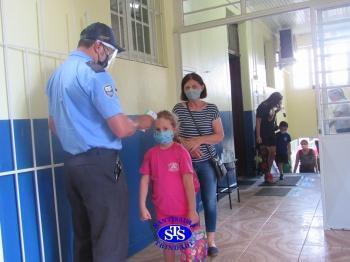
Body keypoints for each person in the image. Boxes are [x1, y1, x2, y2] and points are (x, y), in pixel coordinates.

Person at [46, 22, 153, 262]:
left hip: (73, 167)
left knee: (83, 235)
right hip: (101, 166)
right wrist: (142, 121)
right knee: (110, 237)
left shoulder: (56, 76)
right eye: (108, 51)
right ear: (98, 46)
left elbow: (54, 127)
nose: (108, 57)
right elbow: (121, 128)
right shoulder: (95, 74)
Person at [172, 73, 224, 257]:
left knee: (209, 201)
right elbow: (174, 135)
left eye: (194, 86)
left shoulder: (212, 109)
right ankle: (190, 240)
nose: (191, 90)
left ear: (202, 87)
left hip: (207, 163)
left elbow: (219, 135)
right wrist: (187, 145)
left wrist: (198, 141)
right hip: (184, 165)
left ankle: (211, 241)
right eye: (187, 87)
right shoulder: (178, 109)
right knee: (186, 203)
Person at [139, 110, 200, 262]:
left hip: (183, 211)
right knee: (168, 245)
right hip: (163, 212)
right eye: (158, 130)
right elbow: (144, 181)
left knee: (188, 247)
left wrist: (192, 210)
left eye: (165, 129)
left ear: (174, 129)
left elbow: (188, 182)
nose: (161, 133)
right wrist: (142, 206)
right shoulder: (151, 154)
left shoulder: (181, 152)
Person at [255, 92, 283, 183]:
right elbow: (258, 122)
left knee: (273, 153)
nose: (279, 103)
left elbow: (270, 118)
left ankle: (269, 171)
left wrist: (277, 110)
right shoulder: (263, 106)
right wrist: (258, 136)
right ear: (275, 100)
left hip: (271, 131)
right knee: (265, 154)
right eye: (279, 101)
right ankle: (267, 175)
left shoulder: (273, 107)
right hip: (263, 132)